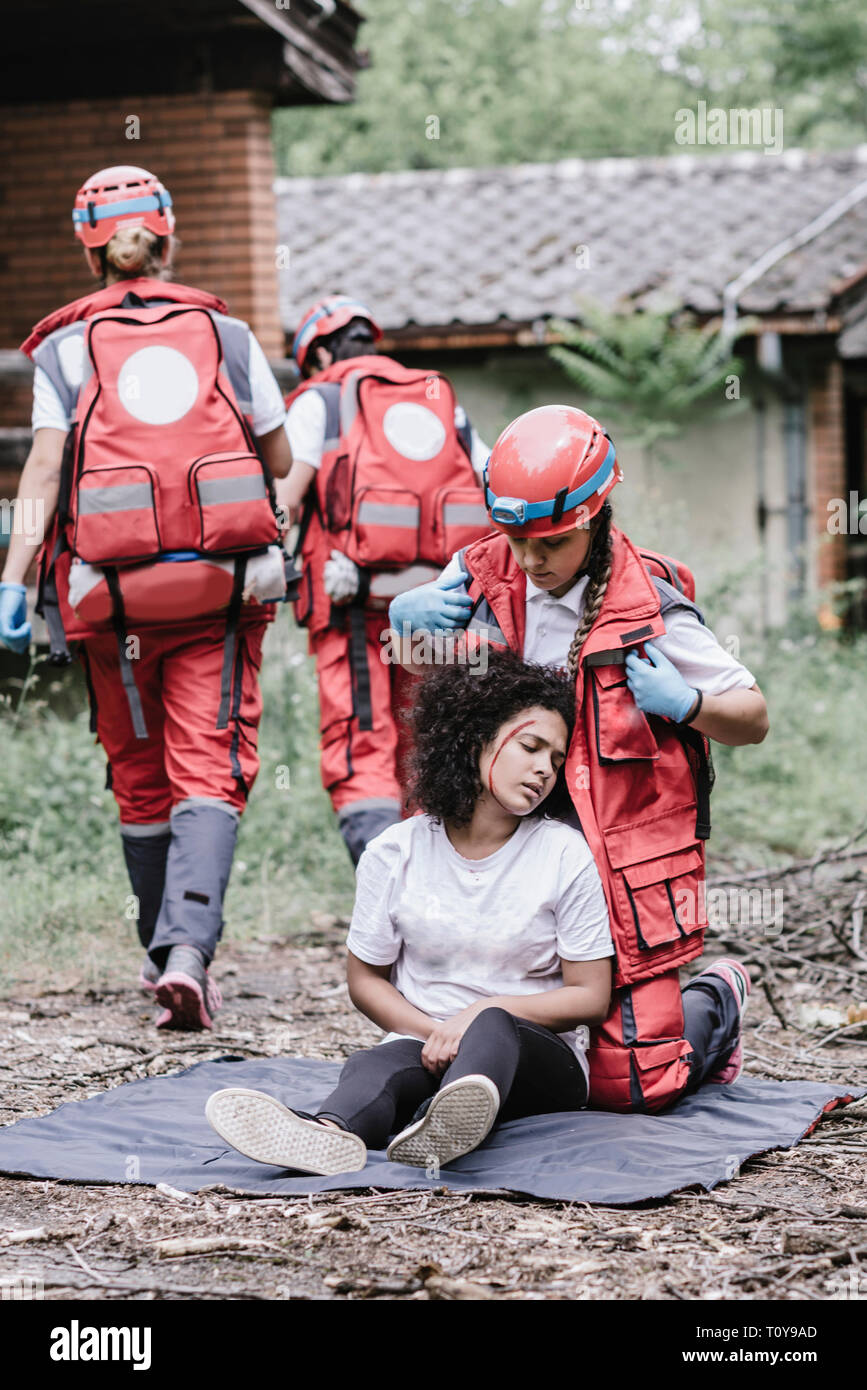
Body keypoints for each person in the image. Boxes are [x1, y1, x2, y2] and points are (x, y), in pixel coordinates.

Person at [386, 404, 769, 1114]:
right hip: (511, 851)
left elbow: (751, 719)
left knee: (631, 1089)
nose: (531, 559)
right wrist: (401, 628)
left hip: (615, 863)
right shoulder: (475, 580)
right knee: (477, 1053)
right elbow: (427, 683)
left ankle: (715, 1000)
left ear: (595, 516)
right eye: (516, 536)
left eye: (552, 541)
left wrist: (684, 703)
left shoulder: (650, 607)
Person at [0, 165, 292, 1031]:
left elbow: (44, 473)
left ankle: (157, 950)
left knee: (139, 771)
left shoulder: (63, 348)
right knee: (210, 765)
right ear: (170, 236)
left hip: (108, 598)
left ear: (89, 249)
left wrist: (11, 581)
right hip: (220, 590)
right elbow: (277, 464)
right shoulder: (226, 336)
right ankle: (190, 953)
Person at [205, 650, 614, 1174]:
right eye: (531, 747)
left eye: (556, 760)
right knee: (378, 1063)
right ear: (474, 739)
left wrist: (473, 1019)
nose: (544, 769)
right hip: (429, 1043)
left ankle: (442, 1124)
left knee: (492, 1024)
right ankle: (329, 1135)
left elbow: (590, 996)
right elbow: (365, 980)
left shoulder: (563, 852)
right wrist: (430, 1031)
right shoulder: (395, 851)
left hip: (538, 1061)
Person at [275, 294, 491, 866]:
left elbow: (285, 501)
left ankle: (387, 882)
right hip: (441, 605)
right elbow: (494, 486)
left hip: (351, 606)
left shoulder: (319, 398)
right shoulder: (436, 396)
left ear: (319, 352)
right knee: (431, 739)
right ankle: (446, 883)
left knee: (360, 742)